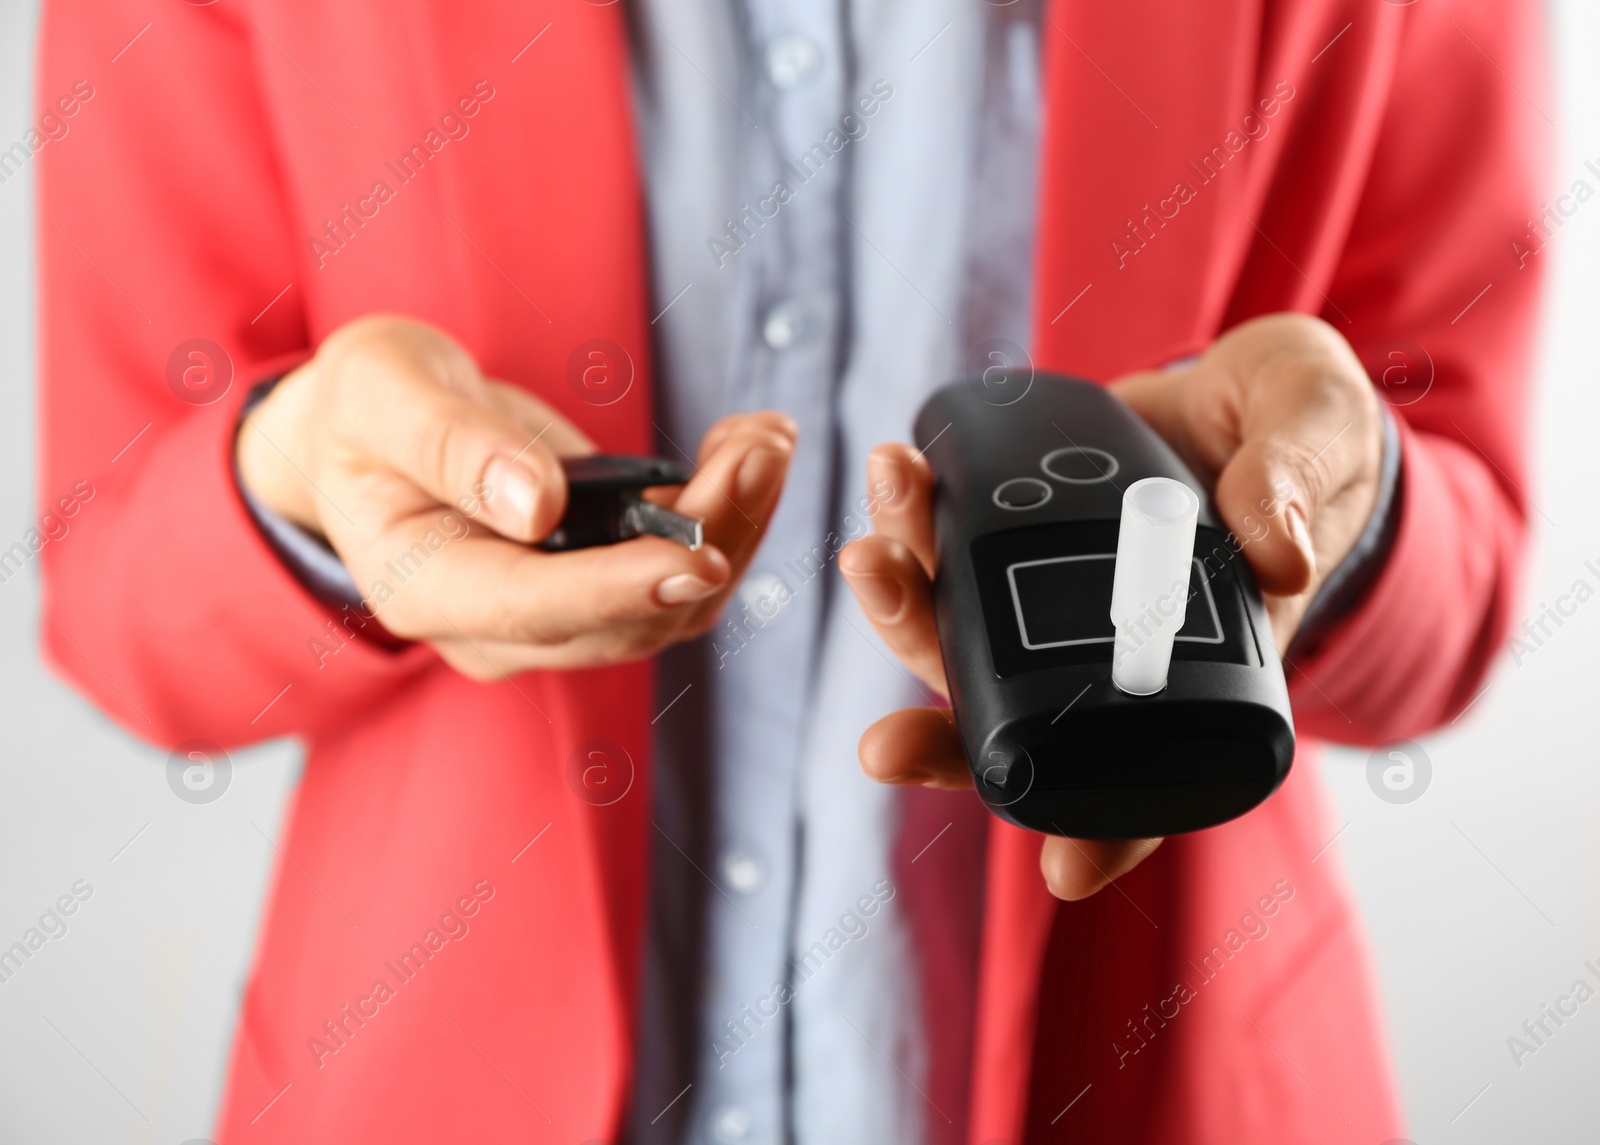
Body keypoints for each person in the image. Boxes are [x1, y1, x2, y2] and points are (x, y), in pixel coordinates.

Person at [36, 0, 1545, 1141]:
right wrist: (301, 488)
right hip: (436, 1063)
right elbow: (115, 584)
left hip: (1168, 1064)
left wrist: (1321, 529)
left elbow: (1466, 570)